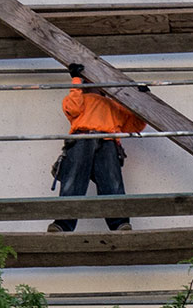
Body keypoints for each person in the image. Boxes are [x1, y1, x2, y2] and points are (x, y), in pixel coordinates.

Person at [47, 63, 147, 232]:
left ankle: (120, 223)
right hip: (83, 138)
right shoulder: (80, 98)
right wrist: (76, 80)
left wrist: (142, 100)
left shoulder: (113, 104)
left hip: (107, 141)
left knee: (111, 182)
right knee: (74, 180)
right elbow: (73, 108)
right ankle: (63, 224)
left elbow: (135, 124)